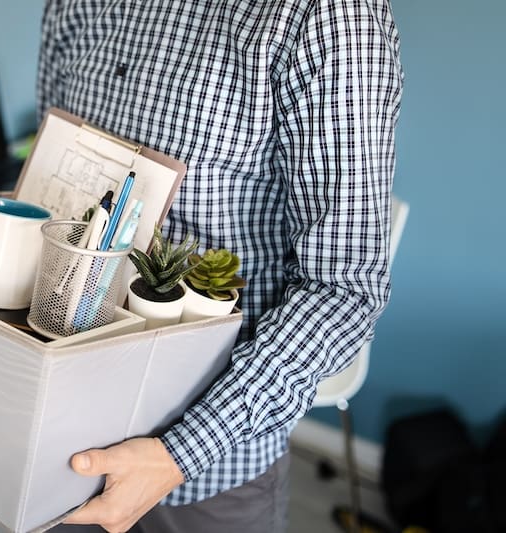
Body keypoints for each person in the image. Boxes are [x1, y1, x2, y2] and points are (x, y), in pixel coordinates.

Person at [37, 0, 403, 531]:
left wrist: (179, 452)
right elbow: (55, 177)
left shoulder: (327, 16)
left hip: (206, 461)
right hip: (62, 420)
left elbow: (344, 287)